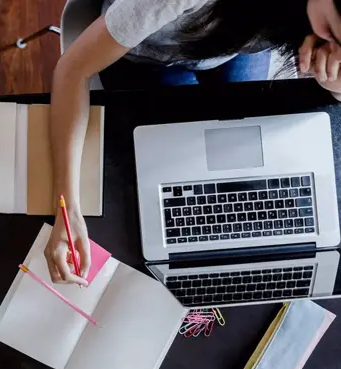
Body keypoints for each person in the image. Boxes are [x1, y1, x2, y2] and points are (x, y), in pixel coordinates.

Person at [45, 0, 341, 284]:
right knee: (169, 180)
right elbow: (73, 70)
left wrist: (333, 82)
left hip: (237, 45)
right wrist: (67, 207)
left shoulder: (314, 23)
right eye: (334, 33)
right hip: (147, 55)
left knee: (238, 177)